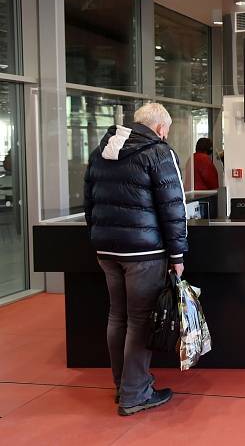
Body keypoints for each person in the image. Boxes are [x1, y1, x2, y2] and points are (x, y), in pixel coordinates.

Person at [84, 102, 187, 417]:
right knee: (141, 320)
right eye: (166, 131)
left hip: (107, 250)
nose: (166, 136)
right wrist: (177, 254)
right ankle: (135, 394)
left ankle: (123, 385)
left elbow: (89, 201)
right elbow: (173, 207)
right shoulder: (157, 152)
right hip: (143, 252)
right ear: (159, 128)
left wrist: (99, 237)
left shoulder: (101, 151)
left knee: (118, 317)